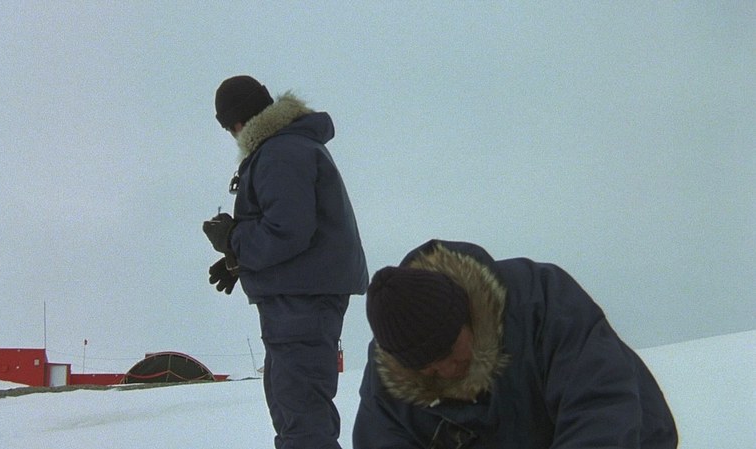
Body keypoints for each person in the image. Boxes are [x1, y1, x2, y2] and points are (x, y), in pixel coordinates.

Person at [353, 239, 678, 449]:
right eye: (429, 369)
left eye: (449, 352)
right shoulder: (387, 394)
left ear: (468, 316)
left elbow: (600, 408)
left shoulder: (542, 304)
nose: (446, 370)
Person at [202, 75, 368, 449]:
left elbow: (288, 231)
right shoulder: (286, 146)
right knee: (291, 408)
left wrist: (233, 240)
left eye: (229, 127)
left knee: (301, 416)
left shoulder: (280, 151)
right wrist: (237, 260)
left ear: (238, 122)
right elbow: (292, 227)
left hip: (302, 301)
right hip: (298, 297)